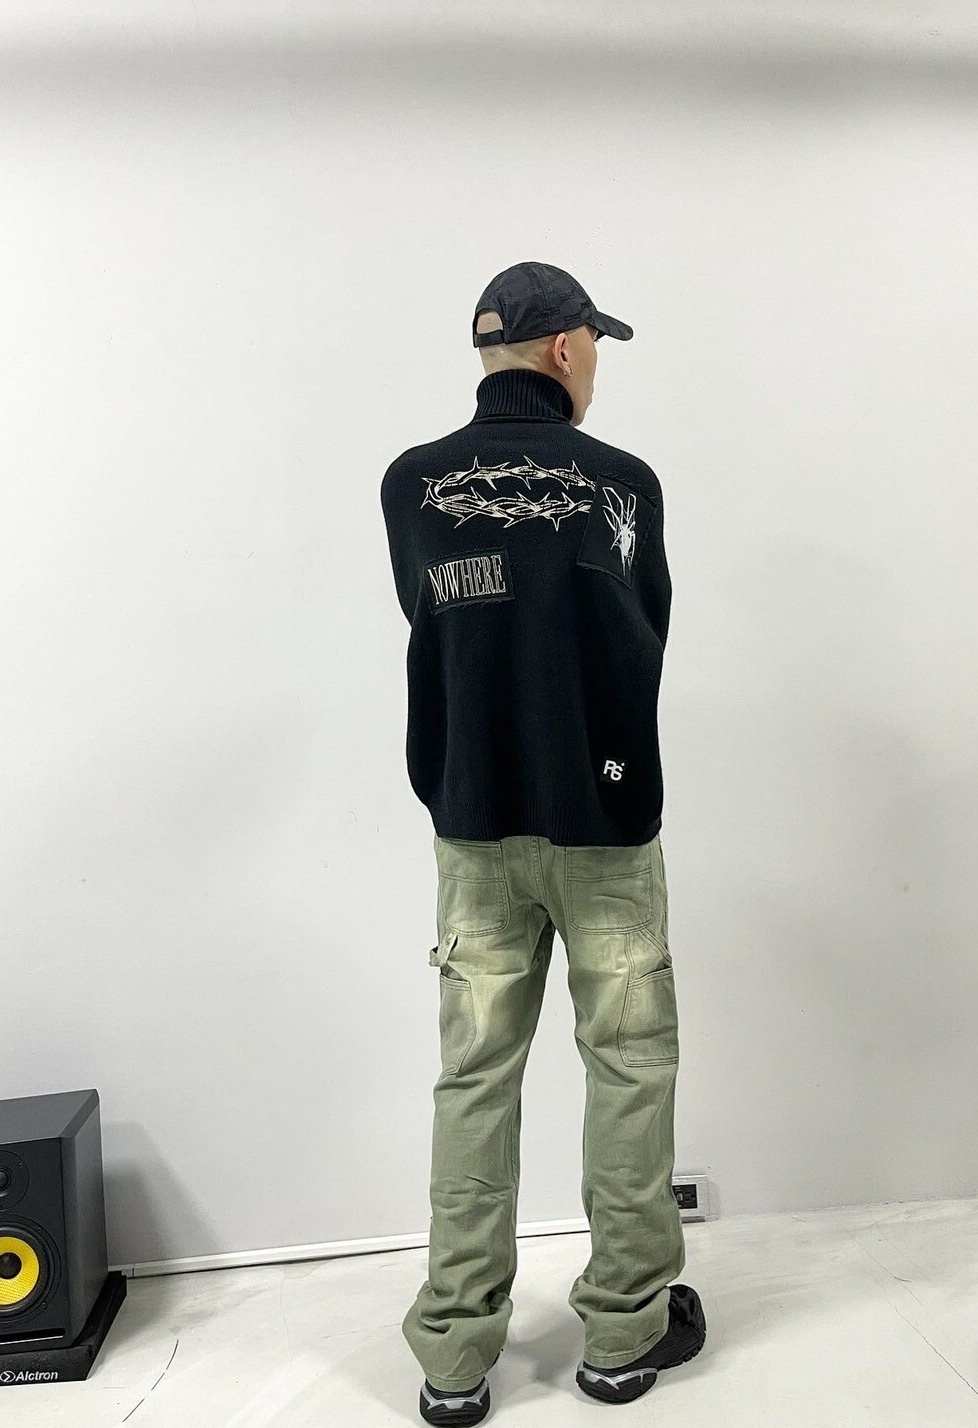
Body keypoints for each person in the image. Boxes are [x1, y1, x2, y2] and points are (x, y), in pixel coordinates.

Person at [380, 262, 706, 1426]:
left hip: (472, 823)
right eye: (593, 344)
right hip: (603, 826)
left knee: (472, 1078)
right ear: (564, 348)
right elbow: (642, 630)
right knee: (626, 1068)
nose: (595, 362)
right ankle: (621, 1334)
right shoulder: (621, 481)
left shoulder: (409, 483)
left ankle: (453, 1358)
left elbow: (435, 624)